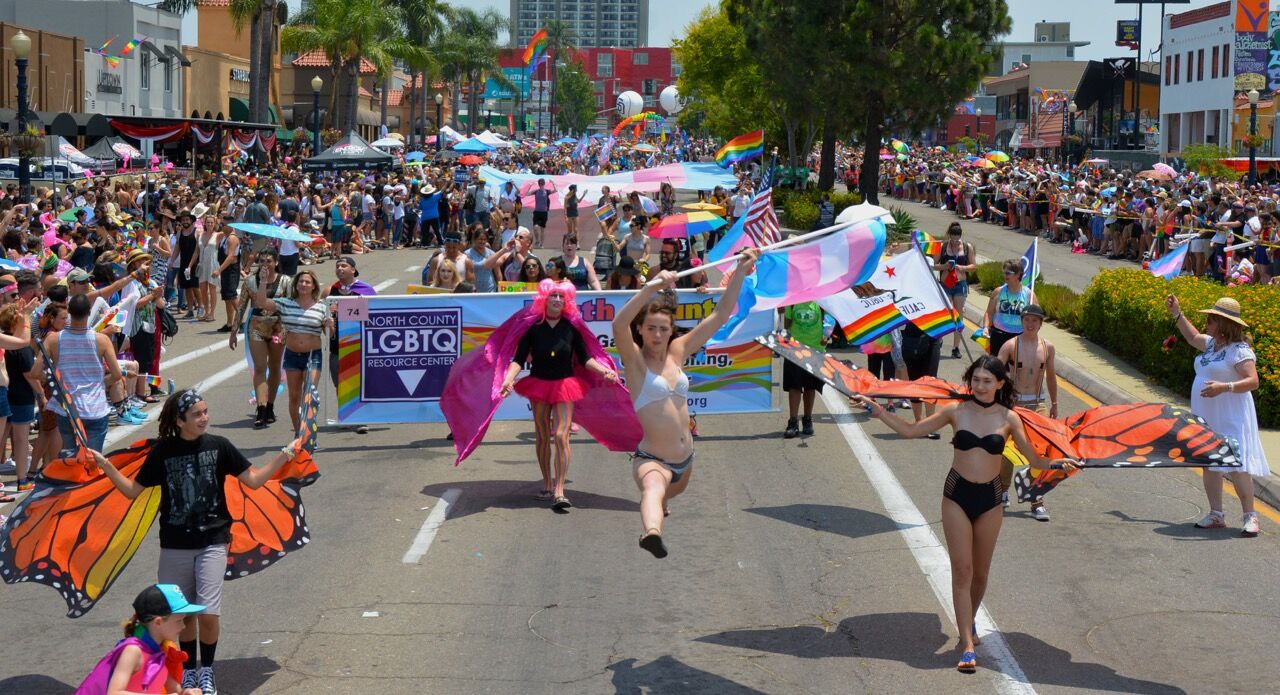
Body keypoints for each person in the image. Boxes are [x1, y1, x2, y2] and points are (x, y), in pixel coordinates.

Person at [852, 355, 1079, 672]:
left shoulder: (1009, 418)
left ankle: (969, 620)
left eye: (988, 381)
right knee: (962, 571)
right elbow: (909, 431)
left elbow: (1034, 459)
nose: (980, 385)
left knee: (981, 573)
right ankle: (968, 646)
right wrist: (876, 410)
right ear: (969, 380)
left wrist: (1057, 464)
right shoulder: (954, 411)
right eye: (976, 379)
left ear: (1000, 384)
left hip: (991, 498)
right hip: (957, 495)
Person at [94, 389, 304, 695]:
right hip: (174, 545)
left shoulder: (219, 447)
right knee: (181, 615)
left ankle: (207, 670)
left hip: (213, 541)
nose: (204, 418)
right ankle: (188, 671)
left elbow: (254, 481)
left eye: (205, 412)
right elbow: (131, 491)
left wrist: (285, 454)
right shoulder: (163, 453)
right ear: (180, 421)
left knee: (207, 612)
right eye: (197, 414)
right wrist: (106, 466)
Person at [612, 248, 761, 558]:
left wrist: (741, 270)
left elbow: (720, 314)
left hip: (686, 462)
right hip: (652, 459)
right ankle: (651, 533)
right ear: (640, 329)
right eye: (650, 328)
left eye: (663, 329)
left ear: (671, 331)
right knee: (653, 487)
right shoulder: (635, 362)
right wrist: (650, 288)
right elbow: (617, 324)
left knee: (663, 496)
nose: (656, 334)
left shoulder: (679, 350)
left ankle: (660, 510)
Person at [500, 279, 620, 510]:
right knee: (543, 435)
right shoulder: (533, 328)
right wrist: (508, 379)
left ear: (567, 301)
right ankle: (547, 483)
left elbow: (586, 359)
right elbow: (518, 359)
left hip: (565, 385)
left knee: (562, 434)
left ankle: (559, 490)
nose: (557, 300)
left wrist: (604, 371)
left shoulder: (571, 327)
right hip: (539, 385)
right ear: (544, 298)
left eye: (561, 296)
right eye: (553, 295)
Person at [1165, 295, 1268, 537]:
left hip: (1231, 414)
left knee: (1236, 464)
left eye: (1211, 319)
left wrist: (1225, 387)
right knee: (1210, 461)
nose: (1207, 322)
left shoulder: (1239, 350)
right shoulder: (1212, 344)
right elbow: (1191, 337)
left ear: (1224, 324)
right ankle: (1216, 514)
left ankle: (1250, 516)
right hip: (1208, 414)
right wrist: (1176, 313)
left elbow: (1253, 381)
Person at [77, 583, 204, 695]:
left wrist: (185, 692)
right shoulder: (133, 651)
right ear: (158, 622)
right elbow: (114, 692)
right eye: (178, 621)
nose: (183, 626)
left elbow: (172, 688)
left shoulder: (158, 651)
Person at [995, 304, 1058, 521]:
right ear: (1021, 321)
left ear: (1041, 323)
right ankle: (1003, 491)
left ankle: (1036, 499)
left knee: (1040, 452)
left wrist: (1055, 402)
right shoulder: (1011, 345)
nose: (1030, 324)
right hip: (1015, 404)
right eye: (1027, 320)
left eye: (1034, 320)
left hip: (1038, 404)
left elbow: (1051, 376)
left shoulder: (1047, 347)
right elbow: (994, 370)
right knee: (1008, 449)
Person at [254, 269, 329, 433]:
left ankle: (307, 429)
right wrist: (263, 282)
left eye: (307, 282)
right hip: (292, 356)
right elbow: (262, 303)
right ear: (296, 285)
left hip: (313, 356)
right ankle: (298, 433)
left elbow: (329, 333)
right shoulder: (286, 303)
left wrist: (330, 324)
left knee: (309, 395)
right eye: (301, 281)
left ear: (314, 286)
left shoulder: (322, 307)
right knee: (294, 396)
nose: (303, 284)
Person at [45, 293, 120, 455]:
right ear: (88, 313)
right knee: (93, 460)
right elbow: (117, 374)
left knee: (70, 457)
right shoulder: (102, 340)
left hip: (67, 408)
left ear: (69, 313)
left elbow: (37, 372)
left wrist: (56, 381)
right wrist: (100, 384)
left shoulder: (53, 339)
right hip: (95, 408)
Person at [230, 248, 291, 429]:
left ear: (276, 262)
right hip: (256, 327)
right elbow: (241, 307)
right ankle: (261, 408)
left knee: (274, 368)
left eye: (268, 261)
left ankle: (270, 405)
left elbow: (289, 307)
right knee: (260, 367)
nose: (265, 264)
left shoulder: (286, 281)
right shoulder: (250, 281)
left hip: (277, 328)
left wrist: (285, 331)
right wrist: (233, 332)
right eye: (262, 261)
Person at [326, 257, 376, 434]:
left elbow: (376, 314)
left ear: (353, 270)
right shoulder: (332, 290)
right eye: (337, 266)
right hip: (336, 345)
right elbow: (324, 314)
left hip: (359, 345)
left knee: (359, 383)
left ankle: (361, 419)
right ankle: (348, 415)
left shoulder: (366, 290)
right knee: (339, 382)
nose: (340, 269)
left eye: (344, 266)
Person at [781, 300, 826, 439]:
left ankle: (807, 419)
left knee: (810, 387)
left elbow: (829, 321)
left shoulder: (821, 301)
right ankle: (793, 422)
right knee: (794, 387)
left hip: (815, 350)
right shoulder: (793, 301)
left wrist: (826, 335)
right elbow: (787, 324)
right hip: (795, 350)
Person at [934, 222, 977, 358]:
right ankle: (939, 340)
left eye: (957, 240)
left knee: (958, 315)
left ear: (961, 237)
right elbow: (934, 265)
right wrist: (945, 266)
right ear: (949, 236)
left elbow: (973, 265)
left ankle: (956, 347)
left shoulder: (967, 247)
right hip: (945, 283)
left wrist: (961, 268)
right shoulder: (943, 246)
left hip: (960, 284)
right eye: (952, 239)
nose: (955, 243)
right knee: (944, 314)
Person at [981, 259, 1037, 357]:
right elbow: (989, 312)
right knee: (997, 367)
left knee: (1015, 368)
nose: (1005, 275)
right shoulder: (998, 291)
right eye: (1004, 272)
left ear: (1018, 274)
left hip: (1018, 337)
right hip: (998, 335)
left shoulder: (1029, 294)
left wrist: (1032, 332)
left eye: (1008, 273)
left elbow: (1037, 317)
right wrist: (985, 327)